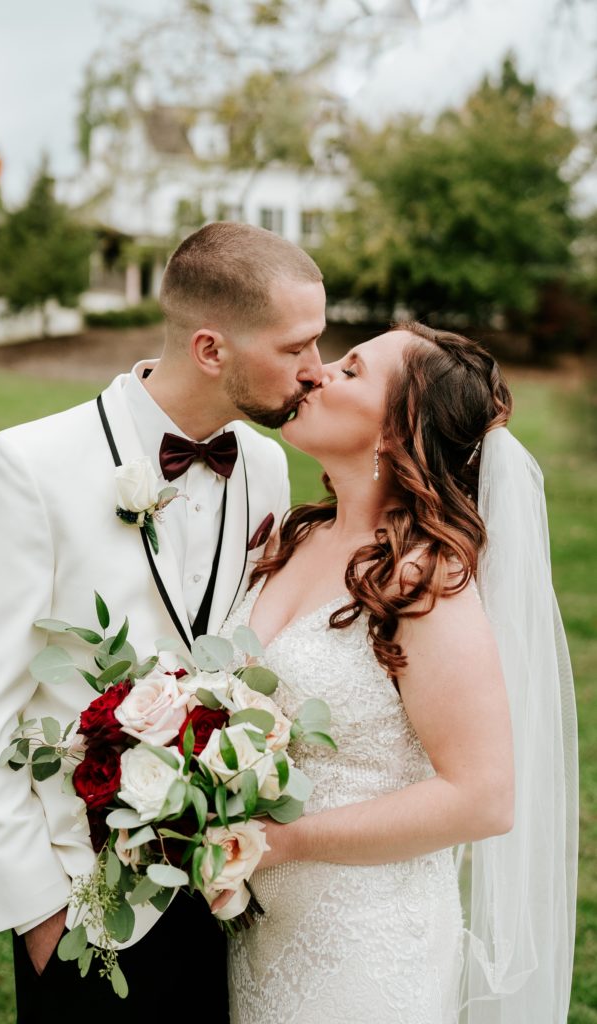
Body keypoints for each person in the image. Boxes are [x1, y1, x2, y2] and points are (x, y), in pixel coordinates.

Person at [0, 221, 327, 1022]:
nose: (314, 373)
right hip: (84, 901)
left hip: (227, 880)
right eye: (297, 347)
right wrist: (42, 913)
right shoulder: (29, 466)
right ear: (211, 348)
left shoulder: (262, 461)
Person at [223, 322, 578, 1023]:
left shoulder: (425, 577)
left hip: (364, 952)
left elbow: (481, 799)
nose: (316, 372)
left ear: (397, 429)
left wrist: (286, 841)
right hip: (258, 933)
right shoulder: (296, 535)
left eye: (351, 370)